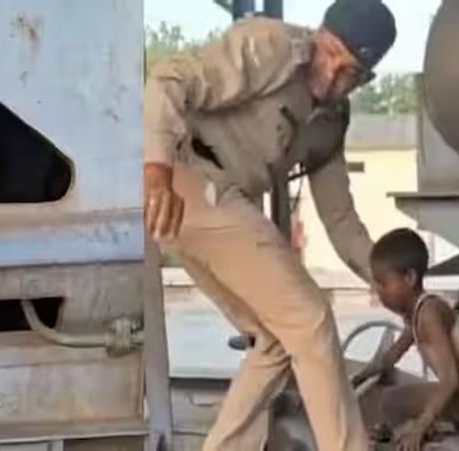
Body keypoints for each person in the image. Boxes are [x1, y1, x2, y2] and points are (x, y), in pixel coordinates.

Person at [144, 0, 396, 449]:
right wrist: (156, 173)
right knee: (310, 318)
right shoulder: (272, 47)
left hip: (222, 204)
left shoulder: (332, 121)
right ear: (318, 34)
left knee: (276, 337)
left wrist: (385, 276)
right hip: (189, 179)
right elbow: (169, 78)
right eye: (330, 54)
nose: (333, 75)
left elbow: (340, 218)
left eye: (350, 73)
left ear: (365, 79)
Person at [352, 228, 459, 451]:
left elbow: (451, 380)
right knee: (393, 396)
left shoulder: (429, 313)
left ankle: (412, 439)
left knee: (392, 400)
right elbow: (390, 357)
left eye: (383, 284)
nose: (378, 292)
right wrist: (359, 377)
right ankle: (410, 435)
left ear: (409, 278)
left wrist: (420, 425)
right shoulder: (418, 312)